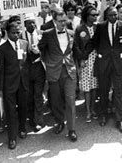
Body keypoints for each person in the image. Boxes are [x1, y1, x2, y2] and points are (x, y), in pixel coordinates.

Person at [87, 6, 122, 133]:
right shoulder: (101, 27)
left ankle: (120, 120)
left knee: (118, 92)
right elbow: (93, 42)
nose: (114, 17)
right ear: (106, 16)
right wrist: (82, 55)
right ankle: (103, 115)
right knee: (103, 90)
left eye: (115, 15)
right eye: (111, 15)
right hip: (104, 63)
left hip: (119, 64)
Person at [38, 8, 78, 142]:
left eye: (64, 21)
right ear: (54, 21)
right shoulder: (48, 34)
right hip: (54, 72)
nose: (62, 23)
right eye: (60, 21)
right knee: (56, 101)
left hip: (69, 71)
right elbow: (41, 49)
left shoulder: (72, 33)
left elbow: (76, 51)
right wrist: (48, 63)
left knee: (70, 100)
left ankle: (71, 129)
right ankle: (60, 121)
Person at [0, 20, 29, 150]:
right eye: (13, 33)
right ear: (7, 33)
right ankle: (12, 137)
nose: (16, 35)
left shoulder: (24, 44)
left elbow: (29, 64)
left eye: (18, 32)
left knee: (23, 107)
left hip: (23, 82)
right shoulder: (2, 49)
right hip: (9, 84)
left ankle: (22, 128)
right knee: (10, 111)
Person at [72, 5, 99, 123]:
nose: (95, 17)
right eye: (93, 15)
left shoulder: (98, 28)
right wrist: (81, 59)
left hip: (97, 59)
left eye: (96, 15)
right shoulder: (80, 29)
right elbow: (76, 46)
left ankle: (93, 108)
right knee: (87, 88)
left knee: (94, 86)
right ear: (86, 16)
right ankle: (87, 110)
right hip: (85, 61)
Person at [22, 14, 46, 132]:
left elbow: (48, 49)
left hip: (39, 68)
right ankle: (30, 118)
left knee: (38, 95)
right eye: (28, 23)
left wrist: (40, 52)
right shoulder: (20, 35)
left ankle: (39, 120)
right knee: (29, 96)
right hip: (26, 69)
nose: (31, 25)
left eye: (33, 22)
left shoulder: (42, 34)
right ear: (24, 24)